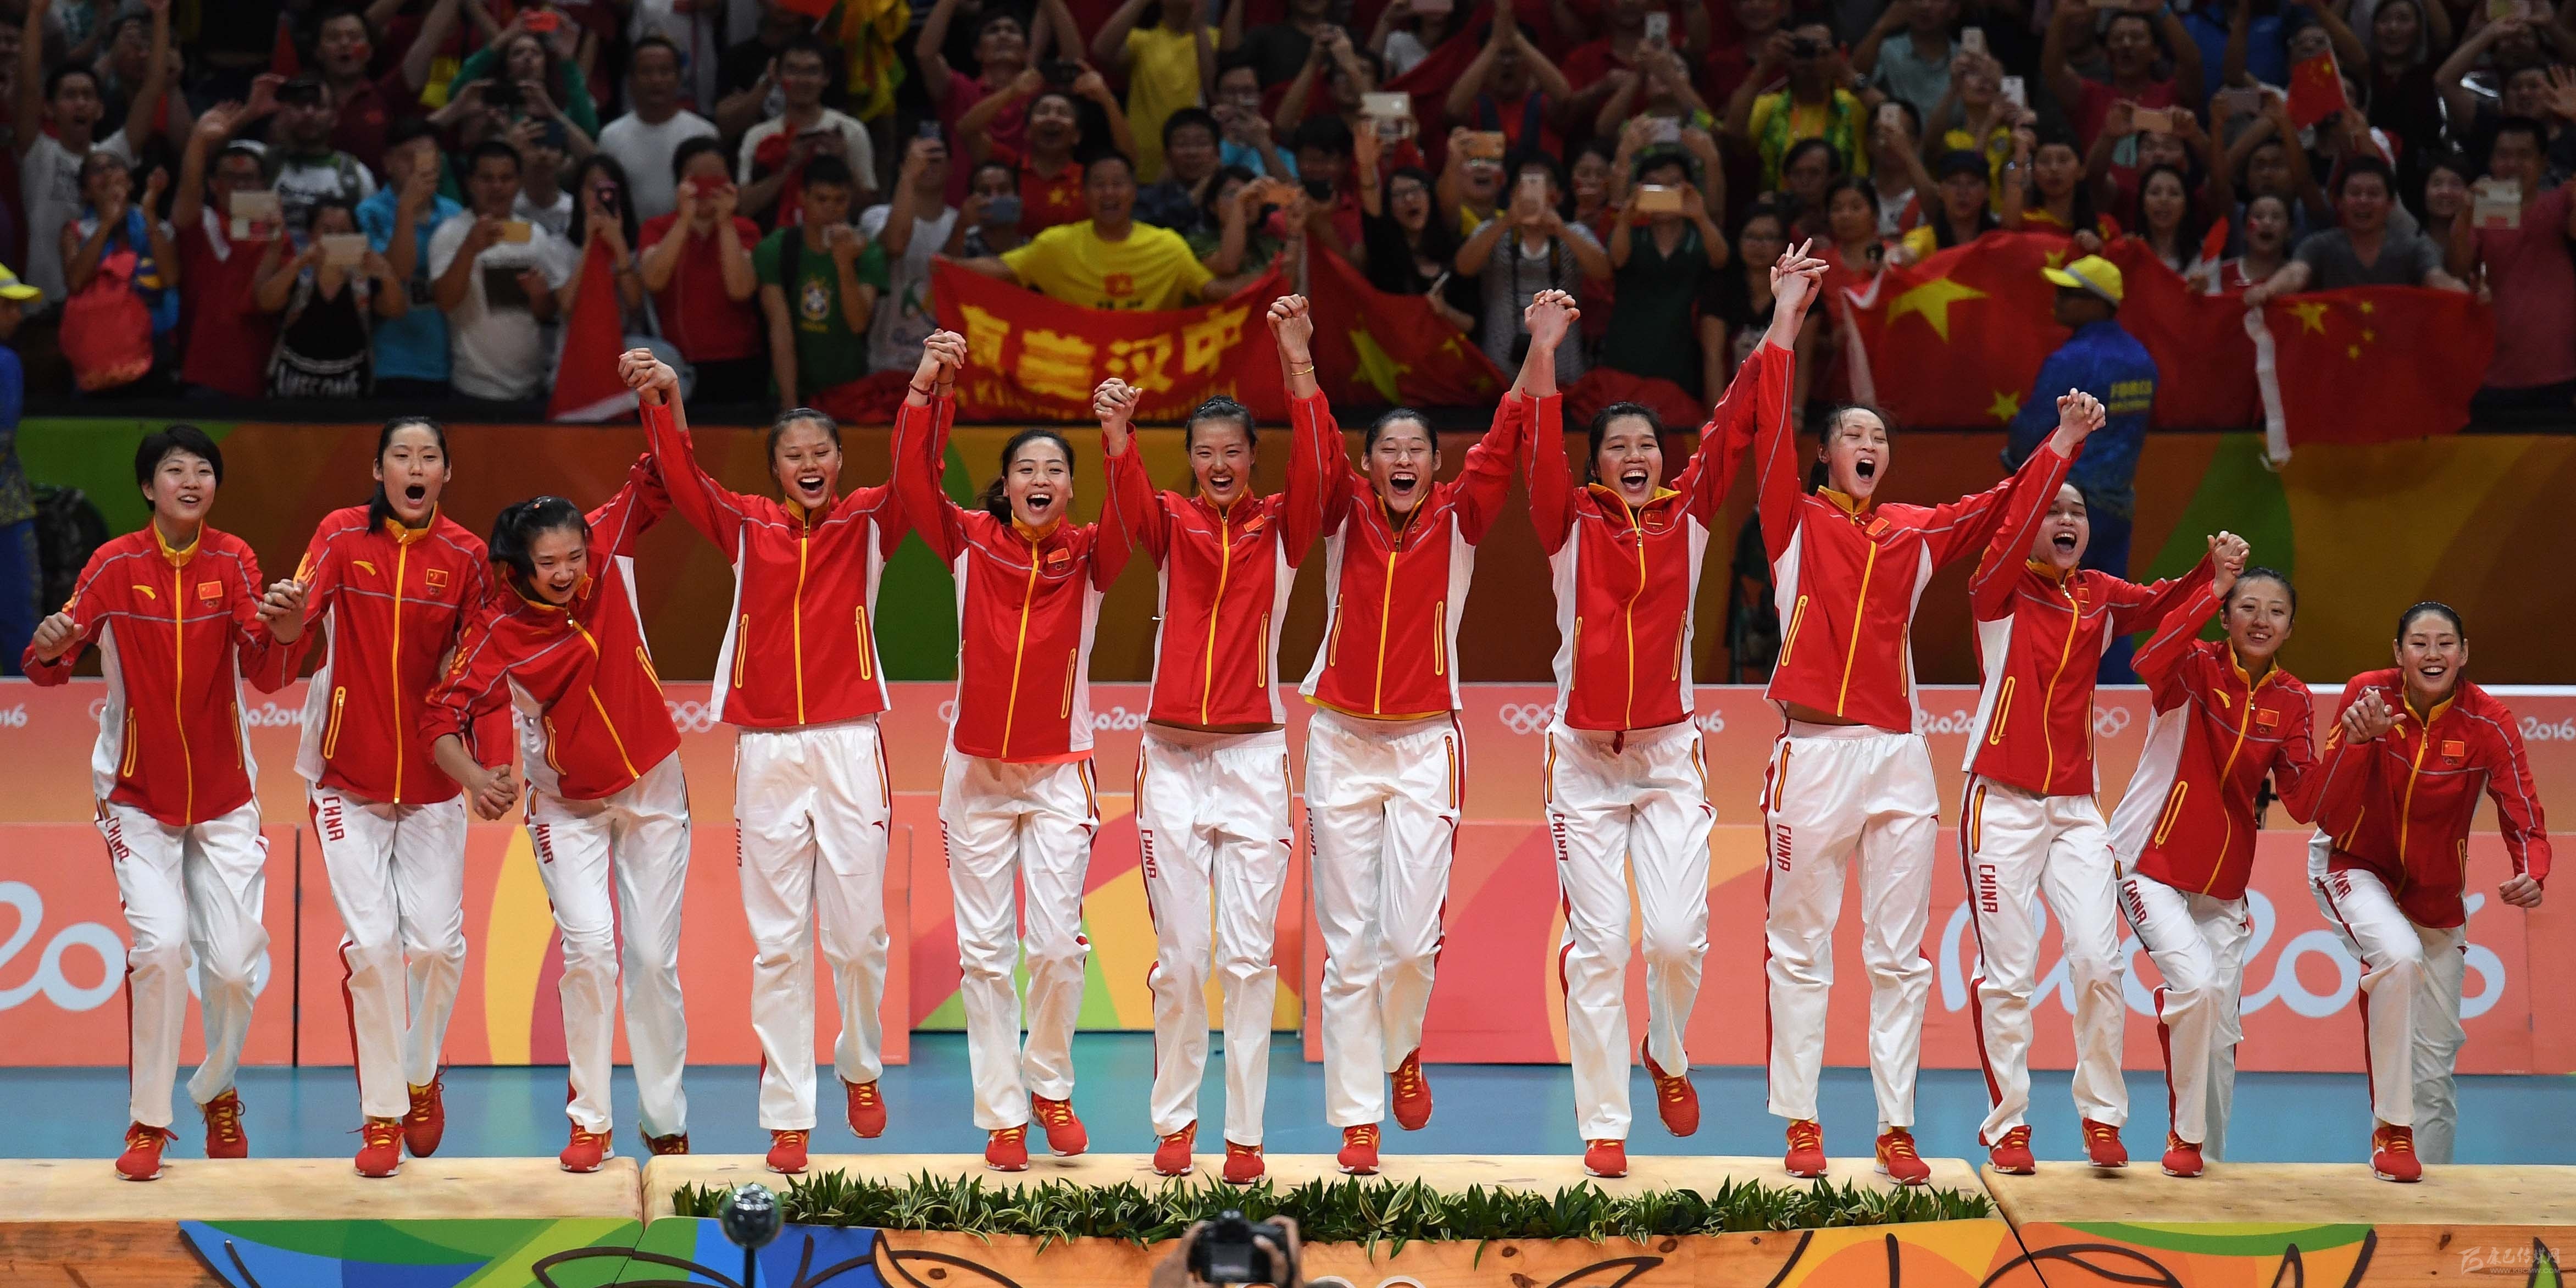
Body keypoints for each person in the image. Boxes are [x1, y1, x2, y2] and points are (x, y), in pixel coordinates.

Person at [1755, 302, 2085, 1188]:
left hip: (1899, 761)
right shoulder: (1792, 520)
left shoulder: (1914, 530)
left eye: (1878, 437)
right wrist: (1785, 323)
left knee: (1898, 958)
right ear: (1824, 454)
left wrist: (2059, 444)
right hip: (1812, 759)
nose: (1867, 444)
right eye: (1852, 435)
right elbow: (1765, 430)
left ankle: (1895, 1126)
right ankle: (1801, 1119)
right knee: (1800, 949)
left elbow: (2000, 507)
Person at [1524, 249, 1817, 1180]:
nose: (1634, 457)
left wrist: (1782, 317)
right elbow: (1536, 448)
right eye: (1616, 447)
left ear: (1663, 459)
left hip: (1665, 759)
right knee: (1598, 946)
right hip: (1582, 762)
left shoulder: (1688, 514)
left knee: (1677, 938)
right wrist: (1544, 352)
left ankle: (1667, 1047)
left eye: (1645, 445)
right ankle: (1604, 1123)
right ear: (1595, 464)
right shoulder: (1567, 524)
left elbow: (1736, 419)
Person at [634, 348, 908, 1178]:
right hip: (765, 753)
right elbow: (684, 479)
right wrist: (665, 397)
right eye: (793, 455)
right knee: (779, 944)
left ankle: (859, 1062)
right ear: (776, 470)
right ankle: (789, 1114)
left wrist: (929, 388)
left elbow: (919, 472)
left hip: (850, 743)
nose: (809, 464)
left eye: (821, 451)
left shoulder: (870, 521)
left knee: (858, 937)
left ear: (840, 459)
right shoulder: (747, 525)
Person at [23, 426, 298, 1182]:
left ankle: (217, 1088)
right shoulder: (114, 564)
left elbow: (266, 668)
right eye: (176, 470)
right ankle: (149, 1120)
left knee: (235, 966)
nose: (191, 480)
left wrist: (285, 630)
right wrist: (48, 644)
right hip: (135, 794)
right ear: (149, 487)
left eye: (204, 470)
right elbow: (51, 660)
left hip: (225, 794)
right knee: (162, 949)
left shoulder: (234, 560)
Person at [1095, 305, 1330, 1187]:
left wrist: (1297, 362)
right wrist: (1118, 436)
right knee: (1185, 960)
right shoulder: (1169, 525)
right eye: (1205, 452)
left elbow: (1320, 466)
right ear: (1190, 461)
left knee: (1248, 960)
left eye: (1233, 451)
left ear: (1253, 459)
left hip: (1253, 762)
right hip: (1170, 765)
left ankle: (1246, 1136)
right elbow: (1128, 502)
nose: (1219, 463)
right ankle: (1175, 1120)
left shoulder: (1285, 530)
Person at [1296, 314, 1535, 1179]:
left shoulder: (1461, 518)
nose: (1402, 460)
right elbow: (1313, 438)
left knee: (1406, 942)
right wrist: (1298, 354)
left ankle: (1402, 1048)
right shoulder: (1340, 511)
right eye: (1387, 450)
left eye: (1416, 450)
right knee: (1347, 946)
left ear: (1435, 464)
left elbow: (1504, 444)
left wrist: (1540, 351)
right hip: (1339, 741)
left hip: (1426, 743)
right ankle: (1359, 1117)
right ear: (1367, 465)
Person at [893, 332, 1134, 1174]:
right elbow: (911, 481)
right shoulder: (968, 541)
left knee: (1060, 946)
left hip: (1061, 773)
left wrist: (1118, 438)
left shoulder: (1092, 552)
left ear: (1070, 488)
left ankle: (1051, 1087)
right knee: (986, 956)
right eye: (1027, 468)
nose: (1041, 479)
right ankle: (1003, 1115)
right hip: (976, 778)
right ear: (1006, 485)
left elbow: (1134, 515)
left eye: (1055, 470)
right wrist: (927, 387)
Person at [424, 454, 690, 1174]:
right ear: (520, 566)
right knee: (591, 950)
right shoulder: (497, 630)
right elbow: (440, 717)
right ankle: (590, 1120)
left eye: (575, 556)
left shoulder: (606, 540)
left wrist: (658, 401)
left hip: (654, 789)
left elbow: (659, 477)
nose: (569, 571)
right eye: (549, 564)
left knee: (652, 960)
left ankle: (666, 1122)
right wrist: (475, 777)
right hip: (566, 805)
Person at [1958, 450, 2220, 1177]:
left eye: (2076, 510)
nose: (2067, 519)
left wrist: (2211, 575)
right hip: (2000, 805)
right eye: (2052, 510)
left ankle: (2102, 1115)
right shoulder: (1998, 590)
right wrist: (2063, 447)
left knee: (2099, 962)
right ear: (2029, 525)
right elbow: (2005, 536)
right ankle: (2008, 1127)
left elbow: (2159, 603)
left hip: (2075, 810)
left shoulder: (2099, 596)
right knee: (2008, 974)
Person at [271, 418, 487, 1178]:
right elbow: (295, 628)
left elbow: (485, 667)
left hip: (432, 779)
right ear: (379, 469)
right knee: (372, 948)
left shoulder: (468, 556)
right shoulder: (338, 535)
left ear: (445, 474)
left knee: (435, 948)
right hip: (345, 776)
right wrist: (288, 623)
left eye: (428, 456)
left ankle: (421, 1071)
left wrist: (484, 766)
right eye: (402, 455)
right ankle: (383, 1113)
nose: (415, 466)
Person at [2310, 603, 2551, 1181]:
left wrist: (2532, 868)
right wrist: (2358, 742)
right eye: (2419, 643)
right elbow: (2322, 802)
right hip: (2353, 862)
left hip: (2436, 897)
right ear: (2398, 653)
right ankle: (2391, 1132)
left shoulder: (2488, 721)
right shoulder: (2367, 695)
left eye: (2445, 643)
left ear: (2464, 653)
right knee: (2397, 957)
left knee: (2436, 1069)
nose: (2433, 654)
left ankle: (2429, 1203)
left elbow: (2521, 806)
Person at [2110, 559, 2329, 1176]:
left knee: (2223, 1033)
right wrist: (2209, 587)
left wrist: (2353, 748)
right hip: (2150, 864)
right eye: (2247, 606)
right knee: (2199, 988)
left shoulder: (2293, 699)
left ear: (2289, 628)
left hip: (2224, 887)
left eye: (2276, 611)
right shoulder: (2191, 666)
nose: (2261, 620)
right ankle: (2184, 1141)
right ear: (2226, 616)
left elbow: (2303, 801)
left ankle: (2207, 1162)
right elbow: (2146, 659)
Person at [2002, 256, 2158, 675]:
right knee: (2111, 607)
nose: (2057, 300)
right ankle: (2118, 697)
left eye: (2069, 294)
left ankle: (2049, 689)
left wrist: (2014, 464)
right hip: (2117, 504)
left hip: (2062, 506)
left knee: (2049, 604)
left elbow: (2033, 429)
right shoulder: (2142, 359)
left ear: (2099, 302)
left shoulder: (2071, 360)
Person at [15, 0, 165, 303]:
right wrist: (35, 14)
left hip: (101, 312)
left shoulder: (112, 156)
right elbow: (28, 87)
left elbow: (152, 88)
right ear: (50, 109)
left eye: (88, 95)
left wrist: (161, 16)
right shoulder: (38, 152)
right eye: (70, 95)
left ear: (100, 109)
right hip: (43, 309)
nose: (80, 103)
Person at [958, 152, 1243, 309]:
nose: (1109, 193)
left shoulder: (1168, 246)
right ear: (1084, 194)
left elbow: (1214, 291)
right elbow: (1002, 269)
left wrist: (1268, 280)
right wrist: (946, 265)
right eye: (1099, 184)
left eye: (1118, 184)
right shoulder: (1056, 244)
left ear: (1134, 192)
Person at [429, 140, 574, 404]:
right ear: (471, 183)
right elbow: (445, 301)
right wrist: (470, 248)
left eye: (506, 178)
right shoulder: (450, 234)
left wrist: (539, 296)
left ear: (519, 182)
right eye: (487, 179)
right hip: (473, 389)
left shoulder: (536, 235)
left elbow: (545, 314)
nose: (497, 187)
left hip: (532, 387)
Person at [2447, 118, 2576, 414]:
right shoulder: (2480, 210)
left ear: (2543, 162)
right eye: (2503, 155)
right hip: (2495, 375)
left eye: (2524, 155)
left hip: (2562, 375)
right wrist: (2464, 217)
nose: (2513, 164)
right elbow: (2457, 268)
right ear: (2491, 161)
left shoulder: (2562, 201)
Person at [1457, 155, 1610, 381]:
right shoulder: (1493, 231)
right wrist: (1507, 222)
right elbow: (1464, 267)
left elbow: (1603, 272)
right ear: (1512, 193)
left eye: (1541, 183)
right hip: (1499, 366)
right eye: (1525, 183)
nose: (1532, 191)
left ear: (1557, 195)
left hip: (1563, 367)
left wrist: (1561, 231)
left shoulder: (1574, 233)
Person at [754, 154, 884, 413]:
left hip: (848, 392)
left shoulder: (867, 253)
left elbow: (858, 323)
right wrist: (791, 407)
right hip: (792, 389)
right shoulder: (776, 249)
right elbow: (780, 328)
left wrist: (844, 263)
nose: (831, 209)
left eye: (840, 200)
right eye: (822, 199)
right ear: (802, 198)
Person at [1603, 135, 1730, 396]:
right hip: (1624, 356)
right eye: (1653, 184)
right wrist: (1626, 218)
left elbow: (1721, 259)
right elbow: (1617, 259)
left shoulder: (1698, 236)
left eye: (1673, 184)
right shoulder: (1632, 234)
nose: (1663, 191)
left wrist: (1700, 216)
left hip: (1678, 358)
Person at [2244, 158, 2470, 304]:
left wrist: (2463, 293)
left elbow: (2435, 278)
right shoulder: (2318, 245)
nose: (2363, 201)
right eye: (2355, 193)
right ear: (2340, 202)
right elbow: (2296, 273)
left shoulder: (2415, 247)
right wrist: (2269, 290)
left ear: (2390, 205)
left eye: (2373, 194)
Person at [641, 138, 763, 404]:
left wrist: (725, 222)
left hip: (739, 363)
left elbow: (740, 290)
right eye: (698, 180)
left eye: (715, 180)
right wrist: (685, 219)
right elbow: (653, 280)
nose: (707, 190)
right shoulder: (657, 229)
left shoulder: (746, 230)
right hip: (674, 364)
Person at [257, 196, 407, 397]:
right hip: (291, 394)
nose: (335, 238)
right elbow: (266, 302)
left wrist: (387, 274)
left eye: (344, 232)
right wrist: (299, 263)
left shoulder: (364, 283)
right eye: (327, 231)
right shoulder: (297, 276)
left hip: (349, 395)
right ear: (311, 235)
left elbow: (396, 310)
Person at [360, 119, 463, 402]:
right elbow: (398, 272)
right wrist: (406, 209)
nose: (418, 168)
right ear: (388, 163)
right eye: (408, 158)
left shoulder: (454, 213)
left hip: (447, 363)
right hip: (390, 362)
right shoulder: (368, 213)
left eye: (427, 159)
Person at [739, 38, 880, 223]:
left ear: (826, 77)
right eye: (792, 71)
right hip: (772, 236)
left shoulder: (851, 131)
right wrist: (788, 167)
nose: (802, 80)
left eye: (812, 71)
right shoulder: (757, 135)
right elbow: (743, 207)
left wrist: (842, 160)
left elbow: (868, 210)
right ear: (778, 76)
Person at [1725, 22, 1876, 189]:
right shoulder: (1770, 106)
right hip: (1784, 203)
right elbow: (1733, 132)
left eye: (1819, 50)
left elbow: (1891, 115)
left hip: (1844, 204)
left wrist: (1844, 70)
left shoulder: (1853, 105)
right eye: (1800, 49)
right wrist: (1762, 66)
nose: (1809, 58)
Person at [863, 134, 962, 376]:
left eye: (935, 158)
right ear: (903, 165)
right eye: (917, 158)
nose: (926, 164)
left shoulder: (963, 225)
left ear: (952, 167)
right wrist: (909, 176)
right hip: (886, 364)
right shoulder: (875, 217)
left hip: (946, 370)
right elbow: (895, 245)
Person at [2041, 4, 2202, 151]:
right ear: (2106, 54)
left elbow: (2191, 63)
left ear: (2156, 52)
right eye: (2117, 38)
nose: (2126, 44)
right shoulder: (2090, 97)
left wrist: (2162, 9)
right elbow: (2054, 70)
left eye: (2137, 37)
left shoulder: (2172, 94)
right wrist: (2061, 14)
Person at [1092, 0, 1217, 182]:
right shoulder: (1142, 39)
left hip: (1199, 164)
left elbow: (1214, 90)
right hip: (1145, 161)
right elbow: (1101, 51)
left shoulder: (1214, 38)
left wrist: (1199, 26)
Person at [597, 34, 718, 222]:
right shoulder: (611, 137)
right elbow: (605, 199)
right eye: (646, 72)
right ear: (631, 80)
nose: (656, 80)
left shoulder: (704, 134)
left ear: (679, 78)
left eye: (665, 71)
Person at [263, 76, 377, 239]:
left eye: (319, 106)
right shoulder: (261, 162)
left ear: (335, 117)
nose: (309, 113)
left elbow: (370, 242)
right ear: (284, 113)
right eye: (300, 105)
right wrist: (249, 114)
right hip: (271, 253)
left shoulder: (357, 176)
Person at [0, 266, 34, 675]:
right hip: (7, 517)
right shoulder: (5, 362)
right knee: (16, 622)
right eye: (7, 307)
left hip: (6, 513)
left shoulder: (6, 362)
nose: (18, 316)